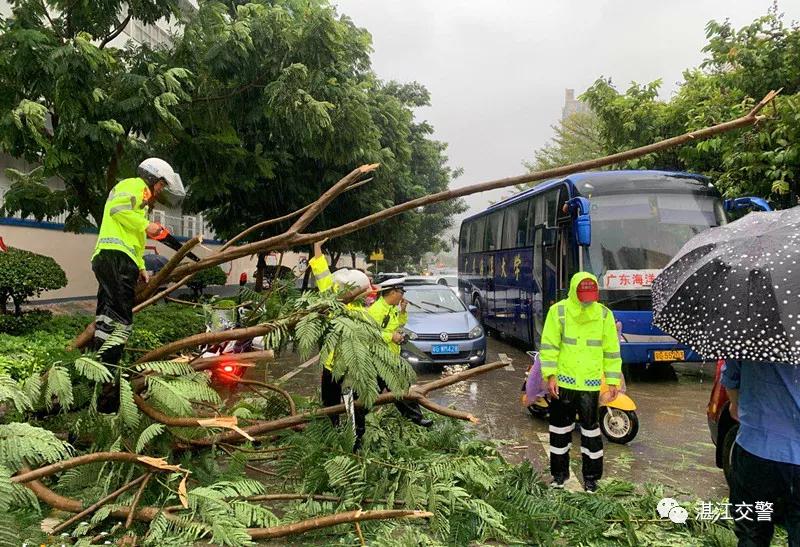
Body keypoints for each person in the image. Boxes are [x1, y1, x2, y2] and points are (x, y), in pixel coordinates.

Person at [91, 157, 184, 411]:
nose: (160, 191)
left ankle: (97, 371)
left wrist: (141, 267)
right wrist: (147, 225)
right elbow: (117, 211)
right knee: (121, 322)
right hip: (116, 259)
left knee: (105, 319)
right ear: (153, 178)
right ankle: (108, 392)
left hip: (113, 259)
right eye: (161, 185)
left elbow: (134, 237)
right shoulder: (135, 186)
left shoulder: (140, 202)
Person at [539, 272, 622, 492]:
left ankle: (592, 479)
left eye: (591, 295)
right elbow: (549, 347)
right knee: (559, 432)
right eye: (583, 294)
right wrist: (550, 376)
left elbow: (612, 350)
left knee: (591, 433)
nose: (587, 299)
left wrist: (613, 380)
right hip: (564, 384)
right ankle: (559, 476)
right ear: (575, 292)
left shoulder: (604, 315)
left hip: (590, 385)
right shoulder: (558, 312)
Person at [722, 360, 800, 547]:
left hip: (754, 451)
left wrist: (738, 406)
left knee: (752, 533)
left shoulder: (747, 336)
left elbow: (731, 386)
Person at [309, 239, 373, 446]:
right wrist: (316, 246)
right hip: (337, 364)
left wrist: (317, 246)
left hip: (347, 365)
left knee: (348, 402)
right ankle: (341, 434)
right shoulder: (353, 310)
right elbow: (321, 271)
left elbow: (321, 273)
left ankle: (354, 436)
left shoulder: (348, 309)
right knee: (335, 402)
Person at [368, 279, 432, 428]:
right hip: (379, 359)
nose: (402, 297)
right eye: (401, 293)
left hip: (391, 357)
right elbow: (370, 333)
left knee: (400, 387)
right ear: (392, 292)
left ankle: (415, 419)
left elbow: (399, 325)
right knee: (369, 394)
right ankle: (356, 420)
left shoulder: (391, 307)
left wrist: (402, 311)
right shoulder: (376, 310)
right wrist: (391, 337)